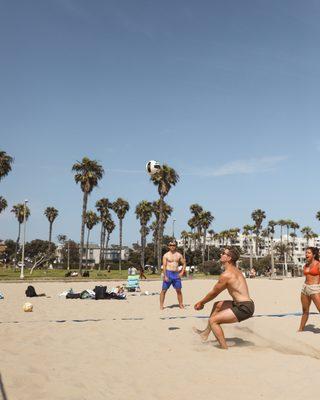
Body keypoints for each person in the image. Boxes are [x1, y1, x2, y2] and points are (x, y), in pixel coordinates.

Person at [193, 247, 254, 349]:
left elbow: (214, 292)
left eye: (223, 253)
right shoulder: (235, 271)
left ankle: (224, 348)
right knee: (217, 305)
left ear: (229, 258)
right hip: (244, 304)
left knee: (213, 321)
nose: (220, 255)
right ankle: (205, 333)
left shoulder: (227, 275)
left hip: (244, 308)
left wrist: (201, 302)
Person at [298, 247, 320, 332]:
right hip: (305, 288)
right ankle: (301, 329)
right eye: (306, 253)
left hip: (314, 288)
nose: (306, 254)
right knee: (305, 311)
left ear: (314, 255)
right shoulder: (306, 265)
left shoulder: (318, 264)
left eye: (309, 253)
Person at [160, 240, 186, 310]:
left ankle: (180, 304)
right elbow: (164, 266)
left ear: (175, 246)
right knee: (164, 290)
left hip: (176, 274)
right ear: (169, 246)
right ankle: (161, 305)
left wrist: (182, 272)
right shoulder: (166, 255)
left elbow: (184, 263)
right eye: (171, 245)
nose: (172, 246)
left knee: (178, 290)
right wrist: (165, 275)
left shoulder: (179, 255)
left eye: (174, 245)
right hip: (168, 273)